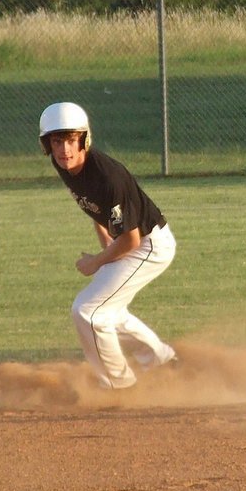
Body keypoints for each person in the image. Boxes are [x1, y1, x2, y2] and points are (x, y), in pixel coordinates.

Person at [38, 102, 178, 390]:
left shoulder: (106, 175)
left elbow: (131, 239)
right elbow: (99, 213)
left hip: (150, 245)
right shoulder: (65, 164)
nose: (64, 148)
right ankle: (160, 358)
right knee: (108, 310)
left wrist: (98, 261)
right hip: (134, 242)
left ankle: (119, 384)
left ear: (84, 140)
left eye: (71, 139)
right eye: (56, 140)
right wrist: (108, 252)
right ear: (46, 144)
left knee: (88, 311)